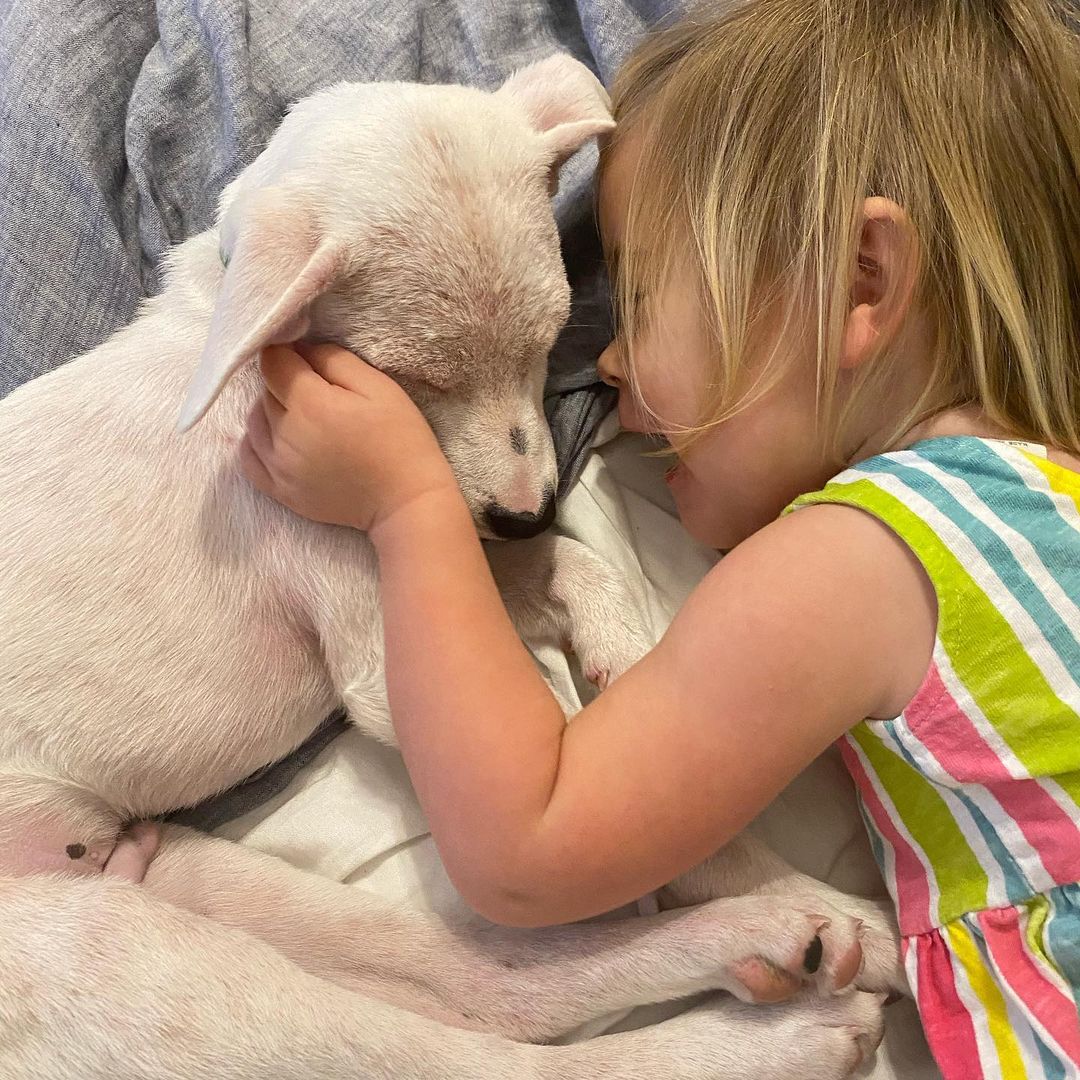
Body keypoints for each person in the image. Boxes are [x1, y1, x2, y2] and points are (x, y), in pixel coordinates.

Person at [237, 1, 1080, 1075]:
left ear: (863, 280)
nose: (611, 366)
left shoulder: (865, 559)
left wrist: (407, 509)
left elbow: (527, 847)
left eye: (635, 293)